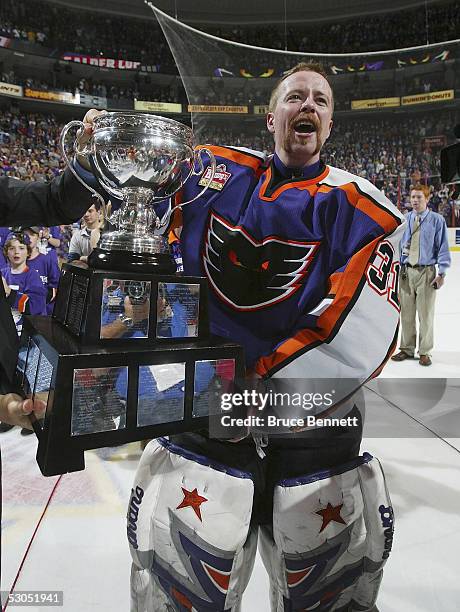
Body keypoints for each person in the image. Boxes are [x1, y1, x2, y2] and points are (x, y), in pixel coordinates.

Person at [85, 64, 405, 611]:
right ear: (271, 116)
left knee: (326, 588)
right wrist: (100, 149)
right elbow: (147, 201)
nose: (308, 106)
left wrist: (254, 402)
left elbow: (365, 331)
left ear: (329, 123)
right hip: (205, 414)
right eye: (295, 97)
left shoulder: (361, 206)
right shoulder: (212, 171)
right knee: (180, 582)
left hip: (309, 427)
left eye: (321, 101)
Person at [391, 183, 450, 366]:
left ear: (427, 198)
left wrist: (442, 273)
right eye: (413, 197)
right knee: (406, 314)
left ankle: (425, 351)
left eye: (419, 197)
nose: (415, 201)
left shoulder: (437, 220)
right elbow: (399, 246)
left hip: (427, 272)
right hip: (406, 273)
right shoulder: (405, 220)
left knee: (426, 315)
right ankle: (406, 349)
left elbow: (443, 248)